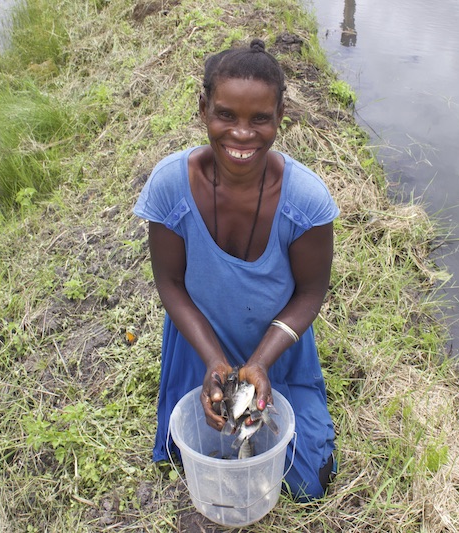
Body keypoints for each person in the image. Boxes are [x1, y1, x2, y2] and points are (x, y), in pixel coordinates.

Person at [133, 38, 338, 501]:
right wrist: (212, 361)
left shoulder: (305, 200)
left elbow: (309, 293)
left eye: (259, 118)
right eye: (226, 115)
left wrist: (262, 361)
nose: (242, 134)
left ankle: (280, 389)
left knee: (308, 481)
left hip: (277, 347)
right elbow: (169, 282)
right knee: (200, 452)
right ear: (204, 108)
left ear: (280, 116)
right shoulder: (170, 186)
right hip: (200, 343)